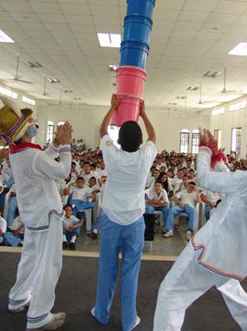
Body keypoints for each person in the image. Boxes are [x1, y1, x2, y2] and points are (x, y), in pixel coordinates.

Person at [154, 126, 247, 331]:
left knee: (171, 293)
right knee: (232, 291)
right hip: (235, 258)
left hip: (215, 251)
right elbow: (235, 183)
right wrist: (218, 158)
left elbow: (205, 179)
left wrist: (204, 150)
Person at [0, 96, 72, 331]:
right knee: (48, 265)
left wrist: (55, 145)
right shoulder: (32, 155)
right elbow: (62, 171)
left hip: (32, 215)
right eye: (31, 121)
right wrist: (66, 146)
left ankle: (18, 298)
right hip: (46, 215)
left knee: (30, 258)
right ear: (26, 128)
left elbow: (39, 161)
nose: (34, 122)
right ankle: (39, 315)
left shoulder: (19, 152)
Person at [92, 95, 156, 331]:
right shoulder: (144, 157)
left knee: (107, 268)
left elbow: (102, 130)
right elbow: (154, 137)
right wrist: (143, 113)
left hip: (111, 221)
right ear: (140, 141)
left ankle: (101, 313)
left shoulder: (113, 155)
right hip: (135, 223)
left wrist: (113, 108)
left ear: (118, 139)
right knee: (130, 273)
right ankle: (129, 321)